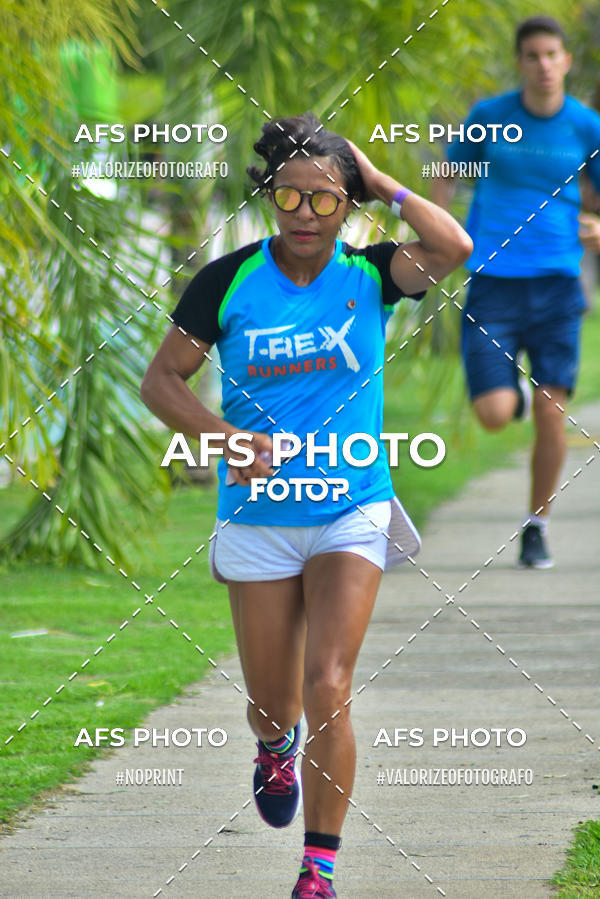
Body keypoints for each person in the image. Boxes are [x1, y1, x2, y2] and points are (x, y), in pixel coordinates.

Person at [141, 112, 471, 898]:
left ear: (348, 206)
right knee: (272, 703)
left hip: (350, 505)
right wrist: (225, 439)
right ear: (269, 196)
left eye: (325, 199)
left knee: (329, 681)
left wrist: (381, 181)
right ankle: (273, 746)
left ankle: (317, 869)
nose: (305, 215)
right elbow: (161, 381)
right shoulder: (227, 281)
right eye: (289, 196)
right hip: (258, 517)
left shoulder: (372, 275)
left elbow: (454, 247)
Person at [432, 15, 600, 569]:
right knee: (494, 414)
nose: (544, 65)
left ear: (566, 61)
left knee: (553, 414)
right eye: (533, 56)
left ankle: (537, 526)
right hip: (493, 284)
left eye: (552, 54)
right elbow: (447, 175)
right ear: (520, 62)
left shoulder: (587, 127)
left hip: (557, 286)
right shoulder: (490, 117)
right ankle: (518, 395)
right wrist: (440, 237)